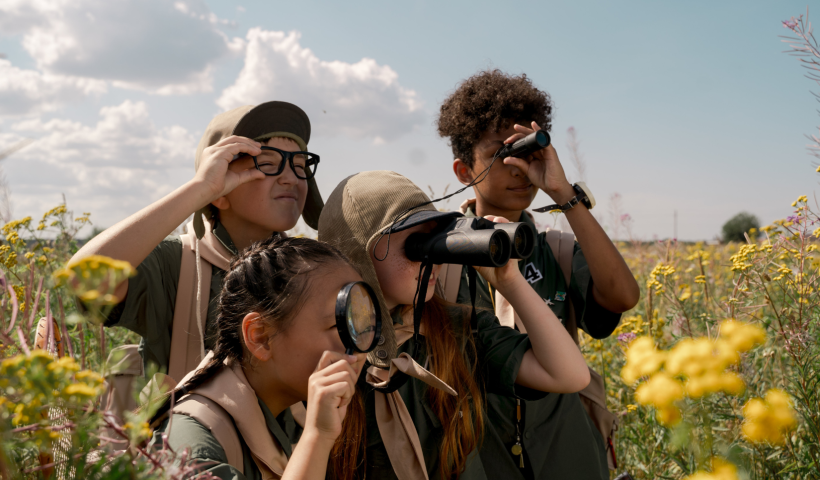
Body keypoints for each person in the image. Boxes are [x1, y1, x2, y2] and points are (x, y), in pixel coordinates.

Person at [317, 170, 590, 479]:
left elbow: (569, 376)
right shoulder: (318, 349)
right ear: (359, 255)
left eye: (435, 241)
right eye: (417, 244)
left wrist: (511, 282)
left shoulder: (456, 329)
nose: (431, 259)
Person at [437, 69, 640, 479]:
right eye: (500, 153)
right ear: (463, 171)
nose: (516, 168)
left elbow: (622, 296)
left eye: (524, 151)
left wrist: (563, 193)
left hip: (566, 449)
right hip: (481, 452)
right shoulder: (441, 258)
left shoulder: (556, 251)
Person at [70, 101, 323, 381]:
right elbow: (84, 279)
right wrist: (200, 190)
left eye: (300, 165)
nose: (291, 178)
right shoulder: (176, 266)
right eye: (266, 164)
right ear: (220, 188)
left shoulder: (310, 271)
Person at [151, 236, 367, 480]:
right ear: (260, 337)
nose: (358, 345)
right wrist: (317, 437)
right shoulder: (191, 449)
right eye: (338, 325)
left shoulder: (292, 414)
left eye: (360, 324)